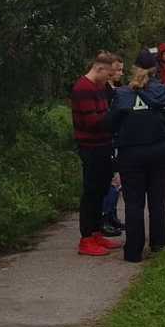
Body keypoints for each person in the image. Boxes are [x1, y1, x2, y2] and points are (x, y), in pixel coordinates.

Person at [109, 49, 165, 263]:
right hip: (160, 151)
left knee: (134, 203)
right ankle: (159, 247)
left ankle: (133, 252)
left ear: (134, 69)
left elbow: (111, 124)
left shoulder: (122, 94)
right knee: (158, 202)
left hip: (131, 155)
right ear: (155, 70)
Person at [70, 51, 125, 256]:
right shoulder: (82, 88)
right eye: (108, 75)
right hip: (90, 147)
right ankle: (86, 238)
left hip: (103, 145)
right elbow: (92, 122)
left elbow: (104, 113)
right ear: (99, 69)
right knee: (91, 192)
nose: (110, 79)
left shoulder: (99, 87)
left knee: (102, 189)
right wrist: (116, 119)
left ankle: (95, 232)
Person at [100, 57, 125, 237]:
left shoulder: (116, 89)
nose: (121, 74)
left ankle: (113, 214)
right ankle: (105, 217)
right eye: (119, 70)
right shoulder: (105, 91)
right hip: (110, 139)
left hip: (118, 137)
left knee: (117, 181)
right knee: (112, 181)